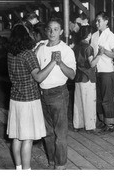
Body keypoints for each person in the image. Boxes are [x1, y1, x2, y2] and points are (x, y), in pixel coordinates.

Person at [7, 24, 57, 170]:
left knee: (17, 137)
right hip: (29, 100)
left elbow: (24, 61)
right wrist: (53, 62)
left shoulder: (11, 53)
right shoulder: (28, 54)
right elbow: (39, 77)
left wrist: (37, 50)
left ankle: (18, 168)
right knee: (27, 139)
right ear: (25, 36)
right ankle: (27, 171)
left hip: (15, 99)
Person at [36, 17, 76, 170]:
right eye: (50, 29)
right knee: (47, 132)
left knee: (60, 133)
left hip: (59, 94)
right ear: (46, 30)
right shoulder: (41, 47)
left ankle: (60, 165)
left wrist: (60, 63)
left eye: (56, 29)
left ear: (61, 31)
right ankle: (52, 160)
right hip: (42, 93)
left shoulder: (66, 50)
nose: (52, 32)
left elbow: (72, 75)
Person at [91, 11, 114, 133]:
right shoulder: (95, 35)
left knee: (107, 98)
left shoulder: (111, 36)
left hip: (107, 71)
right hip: (97, 70)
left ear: (106, 21)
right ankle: (103, 121)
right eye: (96, 21)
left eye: (99, 21)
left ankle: (110, 124)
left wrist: (104, 51)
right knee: (99, 98)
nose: (97, 23)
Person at [73, 26, 101, 132]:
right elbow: (92, 63)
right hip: (88, 78)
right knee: (89, 103)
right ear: (89, 35)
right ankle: (90, 127)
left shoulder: (76, 47)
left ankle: (78, 125)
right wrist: (99, 54)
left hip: (78, 77)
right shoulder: (88, 48)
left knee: (78, 103)